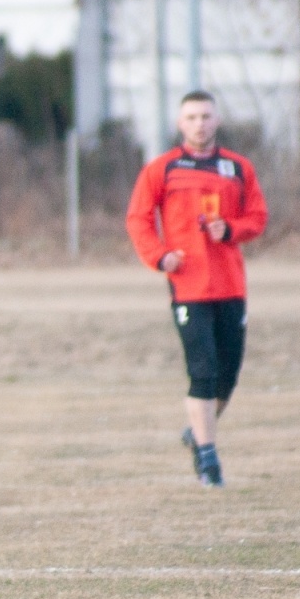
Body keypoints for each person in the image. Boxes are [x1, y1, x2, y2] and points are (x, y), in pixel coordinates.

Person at [126, 90, 269, 488]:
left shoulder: (237, 167)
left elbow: (258, 217)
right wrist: (159, 255)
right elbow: (138, 219)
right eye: (191, 117)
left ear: (217, 120)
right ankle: (208, 460)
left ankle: (197, 429)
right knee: (203, 373)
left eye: (205, 116)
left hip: (230, 285)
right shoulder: (163, 168)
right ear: (179, 123)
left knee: (227, 378)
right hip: (188, 286)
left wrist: (232, 230)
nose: (199, 123)